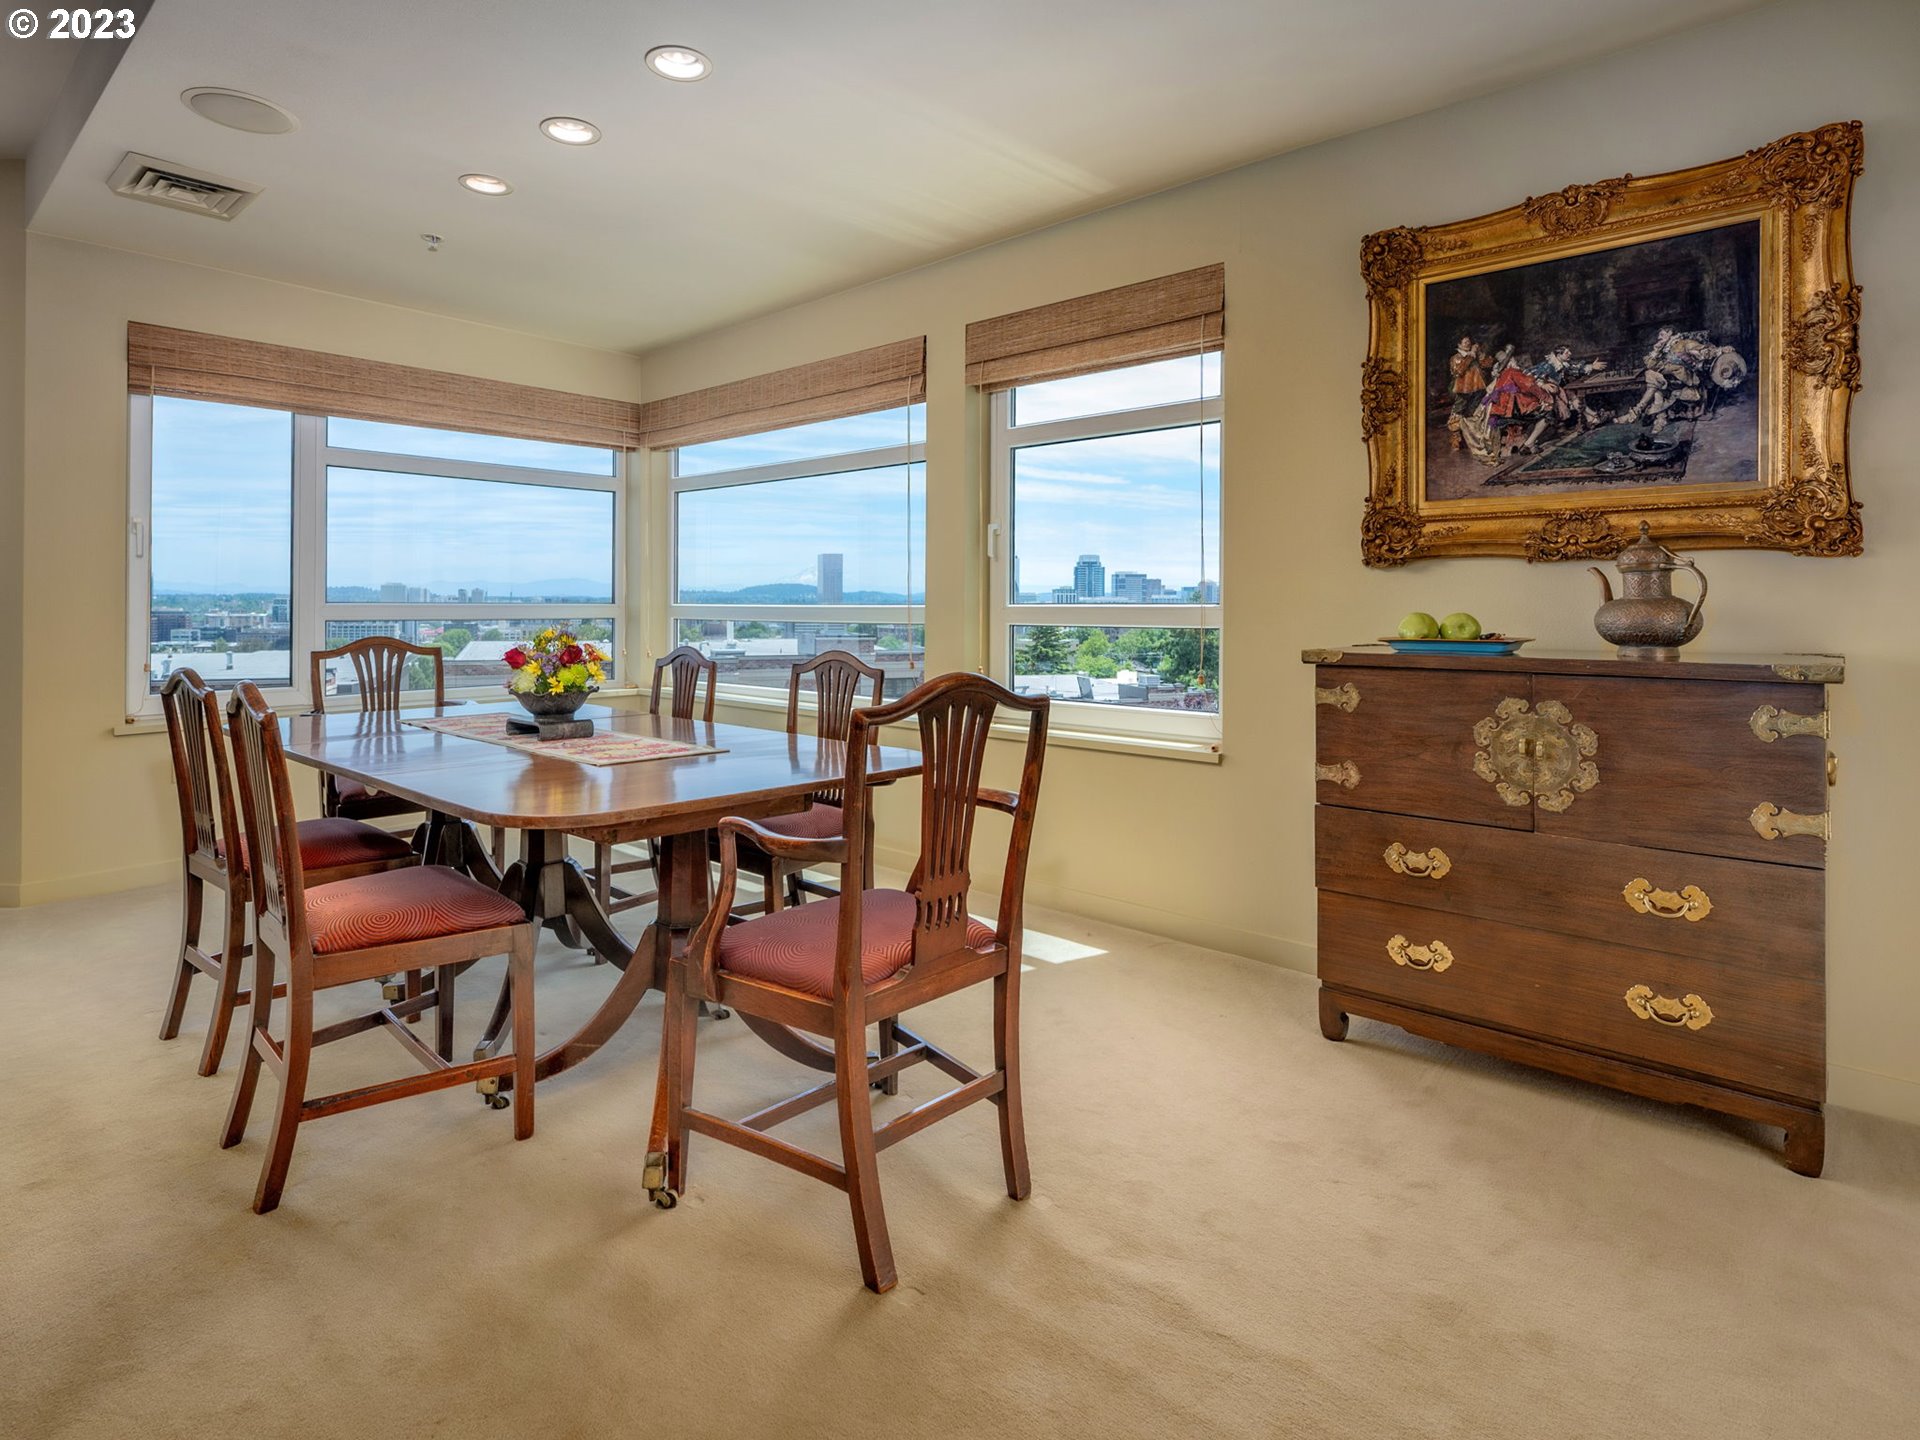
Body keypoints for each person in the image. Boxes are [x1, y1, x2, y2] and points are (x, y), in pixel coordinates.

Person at [1445, 335, 1490, 451]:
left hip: (1478, 389)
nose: (1468, 344)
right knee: (1458, 412)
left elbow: (1487, 364)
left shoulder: (1474, 355)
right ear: (1459, 345)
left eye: (1469, 342)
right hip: (1463, 390)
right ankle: (1456, 439)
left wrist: (1480, 353)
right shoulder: (1457, 357)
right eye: (1465, 342)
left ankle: (1474, 438)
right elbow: (1459, 371)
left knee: (1474, 412)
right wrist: (1471, 356)